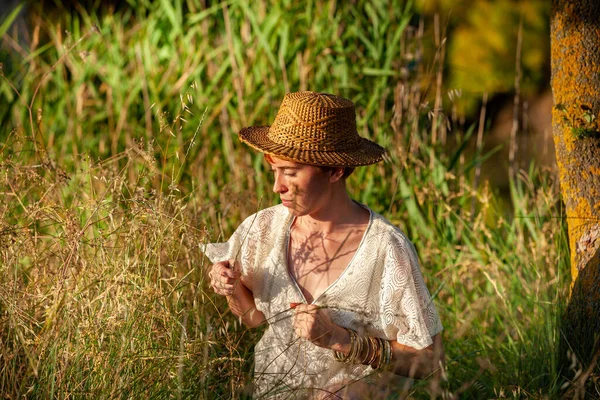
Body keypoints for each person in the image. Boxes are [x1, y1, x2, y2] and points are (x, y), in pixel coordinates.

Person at [204, 91, 443, 399]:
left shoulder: (385, 248)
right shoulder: (261, 228)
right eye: (274, 170)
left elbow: (430, 361)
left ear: (336, 170)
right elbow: (252, 318)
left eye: (290, 173)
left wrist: (340, 339)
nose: (277, 186)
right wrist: (231, 288)